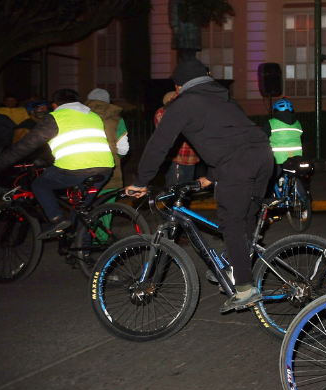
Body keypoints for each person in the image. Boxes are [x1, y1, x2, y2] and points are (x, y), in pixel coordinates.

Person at [126, 59, 274, 312]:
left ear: (178, 85)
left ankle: (245, 288)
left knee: (232, 223)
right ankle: (235, 265)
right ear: (207, 77)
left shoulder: (184, 102)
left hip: (236, 164)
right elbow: (232, 137)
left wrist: (141, 181)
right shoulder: (225, 98)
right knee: (248, 216)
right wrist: (212, 175)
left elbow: (159, 144)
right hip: (263, 157)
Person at [0, 88, 114, 239]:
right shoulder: (94, 116)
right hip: (104, 169)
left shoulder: (56, 117)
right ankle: (83, 253)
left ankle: (56, 219)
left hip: (74, 169)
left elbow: (25, 146)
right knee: (81, 210)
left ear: (55, 105)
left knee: (39, 185)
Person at [85, 88, 129, 190]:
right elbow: (123, 148)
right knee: (108, 203)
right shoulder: (117, 119)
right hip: (109, 170)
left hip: (84, 168)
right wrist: (117, 157)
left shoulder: (79, 117)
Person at [154, 91, 200, 186]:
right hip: (188, 155)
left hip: (176, 156)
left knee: (175, 188)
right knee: (184, 188)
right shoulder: (191, 111)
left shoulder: (161, 112)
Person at [265, 98, 303, 164]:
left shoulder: (271, 123)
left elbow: (262, 138)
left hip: (277, 159)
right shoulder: (297, 123)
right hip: (297, 157)